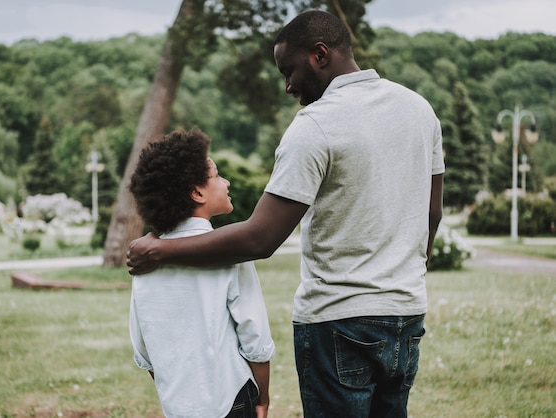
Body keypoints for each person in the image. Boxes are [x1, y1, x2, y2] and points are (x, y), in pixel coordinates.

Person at [127, 10, 444, 418]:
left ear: (319, 54)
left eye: (288, 71)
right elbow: (432, 212)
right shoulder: (419, 110)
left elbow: (260, 239)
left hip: (339, 322)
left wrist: (160, 252)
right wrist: (407, 271)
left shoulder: (315, 126)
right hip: (406, 313)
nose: (288, 86)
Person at [127, 129, 275, 418]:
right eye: (218, 176)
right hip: (231, 399)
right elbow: (255, 338)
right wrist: (263, 397)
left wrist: (181, 398)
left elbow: (144, 350)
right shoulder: (230, 252)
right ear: (197, 192)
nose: (226, 182)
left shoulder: (144, 261)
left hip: (178, 407)